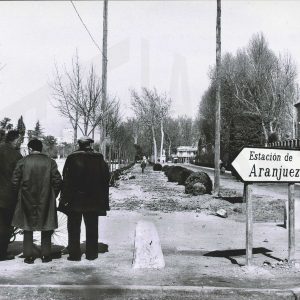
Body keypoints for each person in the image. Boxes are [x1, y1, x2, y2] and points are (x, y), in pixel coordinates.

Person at [11, 139, 62, 264]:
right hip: (46, 198)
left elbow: (14, 181)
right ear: (41, 148)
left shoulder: (22, 162)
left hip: (26, 198)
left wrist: (18, 194)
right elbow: (57, 181)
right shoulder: (50, 162)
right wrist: (52, 194)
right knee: (46, 226)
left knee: (27, 227)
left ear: (29, 149)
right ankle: (46, 255)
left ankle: (28, 256)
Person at [61, 136, 110, 261]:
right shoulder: (99, 158)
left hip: (75, 199)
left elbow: (66, 179)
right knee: (92, 226)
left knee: (73, 227)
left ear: (79, 144)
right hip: (93, 199)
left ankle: (74, 254)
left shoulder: (72, 157)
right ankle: (92, 254)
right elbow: (106, 177)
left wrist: (64, 198)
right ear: (90, 145)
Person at [0, 130, 22, 261]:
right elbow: (18, 178)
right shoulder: (16, 156)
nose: (21, 142)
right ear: (15, 139)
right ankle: (1, 253)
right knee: (5, 225)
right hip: (7, 197)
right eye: (20, 139)